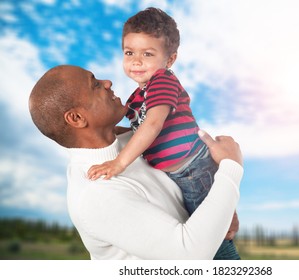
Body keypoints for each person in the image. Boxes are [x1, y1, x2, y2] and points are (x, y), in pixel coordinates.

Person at [28, 65, 243, 260]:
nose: (107, 83)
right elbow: (189, 255)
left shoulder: (132, 141)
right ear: (76, 118)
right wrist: (231, 166)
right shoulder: (96, 194)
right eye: (94, 84)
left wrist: (221, 211)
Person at [87, 7, 240, 260]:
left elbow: (153, 125)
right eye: (129, 53)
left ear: (169, 60)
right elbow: (139, 129)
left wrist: (119, 163)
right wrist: (109, 130)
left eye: (147, 54)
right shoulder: (139, 96)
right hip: (179, 173)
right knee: (204, 225)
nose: (136, 61)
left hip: (194, 169)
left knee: (214, 236)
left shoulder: (162, 81)